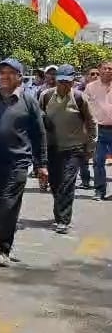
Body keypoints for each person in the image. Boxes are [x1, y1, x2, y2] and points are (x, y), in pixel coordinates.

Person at [0, 58, 47, 267]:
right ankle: (6, 228)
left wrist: (42, 164)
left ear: (19, 77)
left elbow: (39, 134)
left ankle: (2, 249)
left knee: (8, 204)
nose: (4, 76)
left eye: (10, 73)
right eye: (1, 72)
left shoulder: (29, 101)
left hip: (18, 162)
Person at [38, 65, 95, 234]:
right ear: (56, 80)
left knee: (67, 183)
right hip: (52, 147)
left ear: (72, 81)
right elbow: (37, 119)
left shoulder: (79, 98)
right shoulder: (46, 96)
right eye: (61, 81)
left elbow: (91, 123)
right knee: (55, 184)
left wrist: (91, 146)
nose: (64, 85)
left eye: (67, 82)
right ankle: (60, 212)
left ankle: (63, 220)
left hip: (74, 148)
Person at [84, 60, 112, 201]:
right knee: (98, 161)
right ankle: (99, 191)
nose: (108, 71)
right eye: (105, 68)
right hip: (98, 130)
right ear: (100, 70)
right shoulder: (90, 87)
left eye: (111, 69)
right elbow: (85, 108)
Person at [77, 67, 99, 189]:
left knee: (98, 157)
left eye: (97, 74)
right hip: (85, 127)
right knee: (84, 157)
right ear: (86, 76)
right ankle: (85, 181)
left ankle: (99, 182)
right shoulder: (79, 91)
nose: (95, 76)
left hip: (102, 126)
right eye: (92, 74)